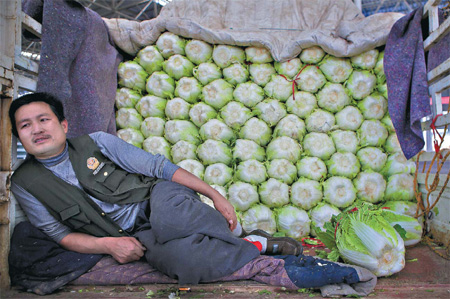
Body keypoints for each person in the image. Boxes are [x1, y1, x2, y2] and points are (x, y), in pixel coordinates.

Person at [9, 92, 302, 284]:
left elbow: (158, 167)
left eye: (44, 120)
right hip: (132, 232)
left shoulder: (96, 142)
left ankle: (237, 234)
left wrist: (215, 194)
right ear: (18, 137)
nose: (37, 129)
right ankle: (256, 245)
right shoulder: (25, 183)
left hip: (158, 197)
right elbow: (61, 235)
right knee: (182, 263)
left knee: (172, 221)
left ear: (63, 124)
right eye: (25, 126)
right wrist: (108, 245)